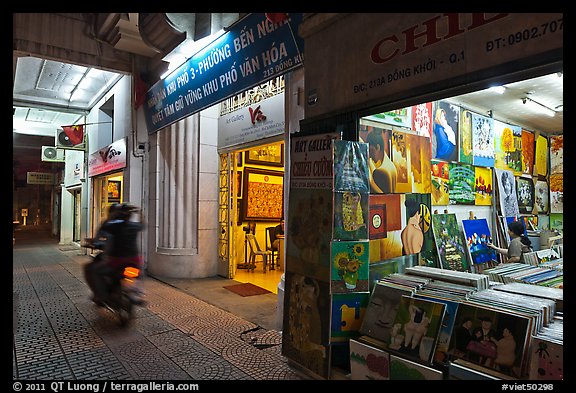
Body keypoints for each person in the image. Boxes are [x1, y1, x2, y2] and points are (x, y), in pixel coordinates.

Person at [87, 203, 145, 306]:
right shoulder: (134, 226)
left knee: (93, 270)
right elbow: (143, 224)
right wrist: (140, 212)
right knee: (139, 273)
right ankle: (138, 292)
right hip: (134, 260)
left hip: (115, 261)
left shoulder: (112, 225)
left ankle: (100, 295)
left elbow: (103, 229)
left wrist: (111, 216)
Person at [366, 128, 397, 193]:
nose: (370, 156)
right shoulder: (391, 166)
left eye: (371, 150)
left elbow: (381, 195)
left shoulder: (380, 171)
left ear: (378, 147)